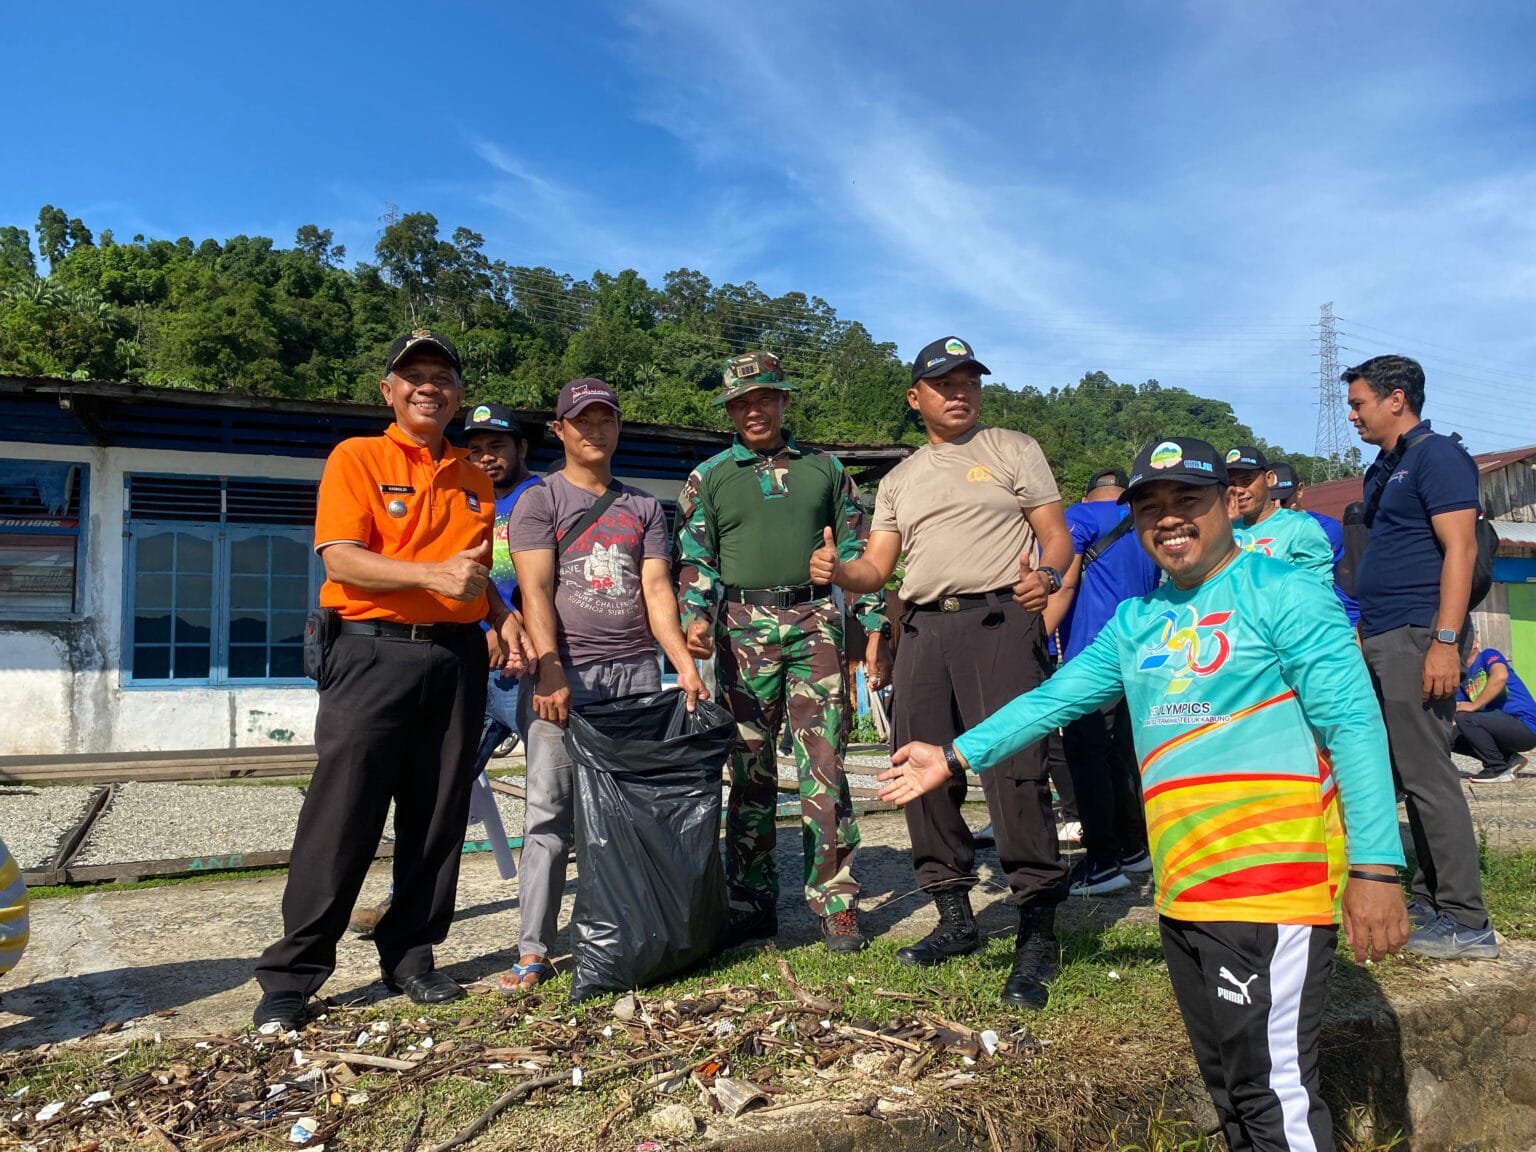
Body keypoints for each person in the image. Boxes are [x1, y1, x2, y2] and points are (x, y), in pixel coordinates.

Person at [877, 435, 1409, 1151]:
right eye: (1151, 506)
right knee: (1228, 1084)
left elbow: (1353, 726)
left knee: (1272, 1089)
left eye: (1187, 499)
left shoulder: (1284, 594)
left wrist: (1378, 868)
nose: (1169, 518)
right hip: (1184, 889)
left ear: (1228, 503)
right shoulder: (1138, 621)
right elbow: (1053, 699)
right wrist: (953, 753)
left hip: (1272, 890)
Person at [253, 330, 533, 1031]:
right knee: (343, 811)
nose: (428, 386)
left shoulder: (473, 476)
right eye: (414, 376)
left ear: (458, 394)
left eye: (442, 375)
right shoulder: (359, 458)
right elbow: (343, 560)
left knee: (438, 812)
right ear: (389, 390)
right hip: (371, 653)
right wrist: (429, 576)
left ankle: (410, 956)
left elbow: (468, 569)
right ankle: (294, 974)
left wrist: (498, 614)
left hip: (455, 657)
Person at [811, 335, 1073, 1008]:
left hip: (998, 622)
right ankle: (954, 915)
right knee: (913, 768)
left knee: (1014, 769)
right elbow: (877, 568)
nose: (959, 392)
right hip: (923, 627)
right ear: (915, 397)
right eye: (944, 383)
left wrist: (1045, 578)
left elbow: (1058, 539)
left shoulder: (1013, 449)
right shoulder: (899, 480)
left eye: (968, 381)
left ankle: (1037, 927)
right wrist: (843, 573)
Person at [502, 377, 706, 992]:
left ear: (617, 428)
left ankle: (626, 931)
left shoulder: (643, 507)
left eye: (606, 419)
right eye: (581, 420)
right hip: (568, 677)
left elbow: (655, 591)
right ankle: (534, 949)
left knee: (629, 815)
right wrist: (549, 666)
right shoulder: (539, 501)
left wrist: (683, 664)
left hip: (636, 676)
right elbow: (535, 590)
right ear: (559, 430)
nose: (595, 430)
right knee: (549, 815)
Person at [676, 352, 884, 952]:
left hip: (816, 620)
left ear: (783, 402)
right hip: (741, 627)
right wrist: (694, 617)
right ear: (730, 411)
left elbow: (857, 549)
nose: (754, 410)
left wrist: (871, 629)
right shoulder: (710, 476)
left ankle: (835, 901)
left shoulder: (826, 469)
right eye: (741, 402)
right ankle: (752, 899)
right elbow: (697, 558)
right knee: (749, 767)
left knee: (825, 765)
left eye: (764, 398)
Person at [347, 402, 541, 936]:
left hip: (527, 669)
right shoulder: (462, 495)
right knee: (438, 791)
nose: (485, 458)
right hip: (471, 664)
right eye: (475, 448)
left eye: (497, 446)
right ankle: (402, 905)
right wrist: (480, 633)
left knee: (558, 784)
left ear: (522, 448)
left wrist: (525, 634)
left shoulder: (543, 498)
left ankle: (576, 896)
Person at [1346, 354, 1497, 960]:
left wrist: (1443, 640)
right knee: (1406, 774)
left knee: (1429, 775)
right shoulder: (1385, 469)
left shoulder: (1437, 456)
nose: (1353, 415)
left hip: (1418, 635)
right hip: (1385, 635)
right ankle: (1433, 903)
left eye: (1359, 404)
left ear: (1397, 398)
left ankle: (1467, 919)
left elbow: (1459, 548)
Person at [1041, 467, 1159, 896]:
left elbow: (1065, 581)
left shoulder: (1081, 518)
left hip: (1091, 658)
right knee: (1121, 758)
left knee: (1085, 758)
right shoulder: (1145, 523)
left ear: (1089, 494)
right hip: (1141, 656)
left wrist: (1036, 638)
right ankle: (1133, 848)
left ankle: (1102, 863)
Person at [1223, 447, 1334, 585]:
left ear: (1269, 479)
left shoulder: (1301, 527)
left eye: (1246, 481)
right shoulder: (1225, 531)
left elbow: (1319, 588)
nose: (1238, 490)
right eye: (1231, 484)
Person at [1271, 463, 1358, 627]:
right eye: (1271, 500)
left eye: (1283, 500)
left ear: (1300, 490)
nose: (1278, 507)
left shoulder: (1324, 527)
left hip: (1331, 614)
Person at [1455, 634, 1536, 783]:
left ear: (1475, 643)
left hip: (1525, 726)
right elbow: (1458, 707)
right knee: (1449, 736)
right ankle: (1509, 758)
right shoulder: (1461, 677)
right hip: (1500, 728)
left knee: (1465, 718)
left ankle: (1497, 769)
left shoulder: (1488, 655)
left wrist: (1474, 705)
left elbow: (1500, 676)